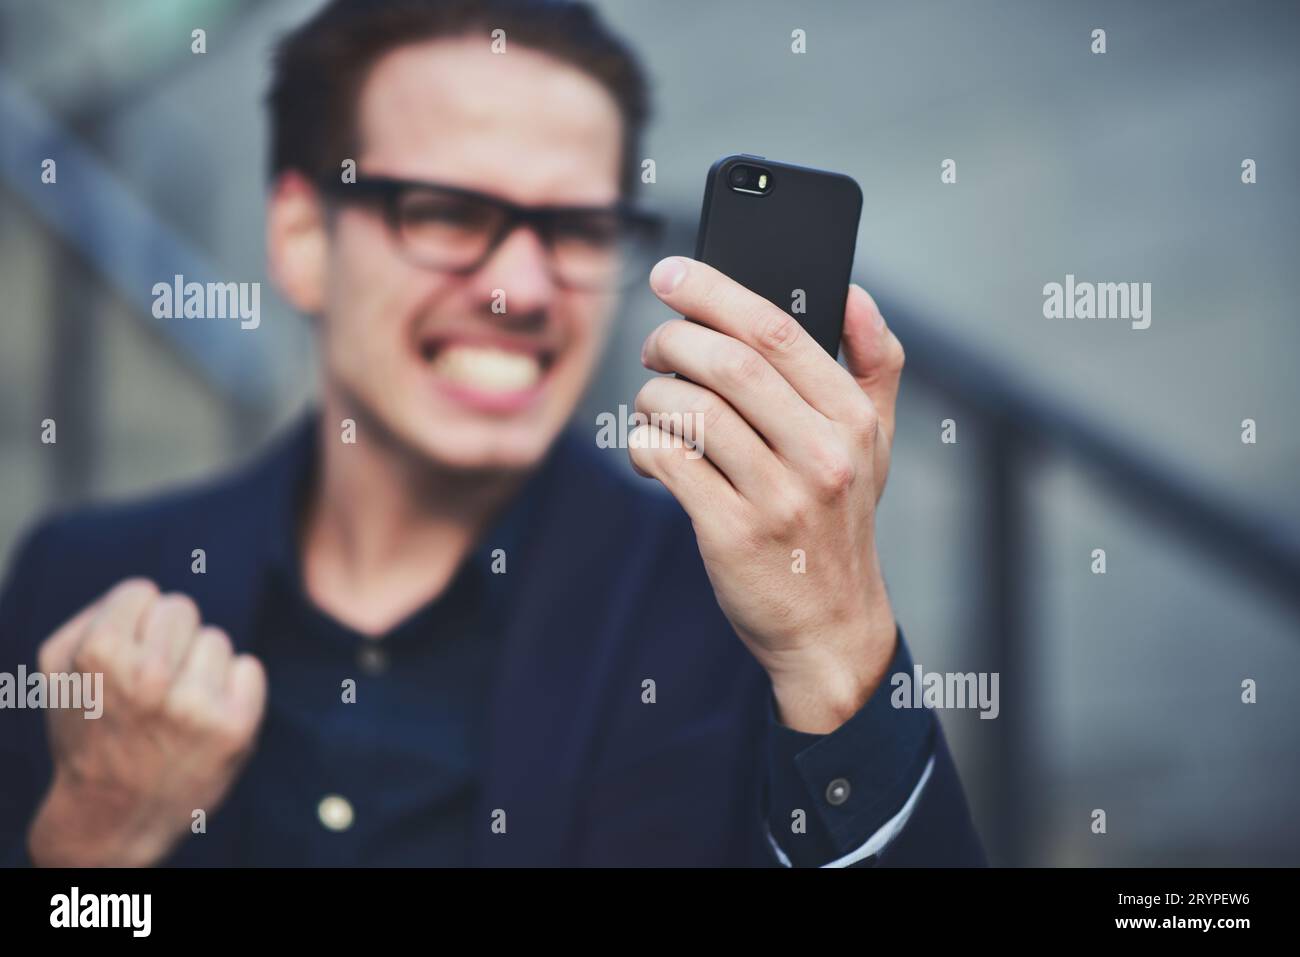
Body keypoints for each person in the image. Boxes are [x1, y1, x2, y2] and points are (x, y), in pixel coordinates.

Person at [0, 0, 984, 867]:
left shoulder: (740, 616)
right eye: (445, 209)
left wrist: (838, 647)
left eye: (576, 226)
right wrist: (97, 841)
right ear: (304, 242)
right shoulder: (75, 584)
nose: (519, 290)